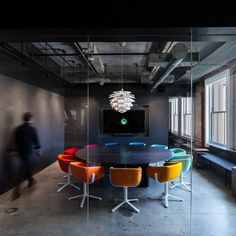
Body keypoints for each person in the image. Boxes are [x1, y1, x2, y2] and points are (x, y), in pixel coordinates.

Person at [11, 112, 42, 200]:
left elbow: (15, 141)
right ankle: (16, 191)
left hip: (20, 151)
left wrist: (13, 151)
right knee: (22, 170)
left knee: (26, 166)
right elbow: (36, 141)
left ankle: (30, 181)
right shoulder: (32, 129)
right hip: (28, 151)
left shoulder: (18, 128)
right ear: (31, 118)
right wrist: (38, 150)